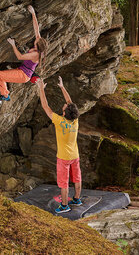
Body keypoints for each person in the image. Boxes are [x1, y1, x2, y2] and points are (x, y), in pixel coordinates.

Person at [37, 76, 82, 213]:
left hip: (63, 157)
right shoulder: (75, 120)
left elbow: (46, 107)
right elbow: (70, 102)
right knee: (77, 178)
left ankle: (64, 205)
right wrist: (62, 87)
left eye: (65, 106)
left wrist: (41, 89)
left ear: (65, 111)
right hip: (75, 155)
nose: (65, 103)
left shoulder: (59, 121)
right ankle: (77, 199)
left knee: (64, 183)